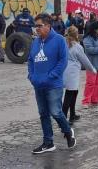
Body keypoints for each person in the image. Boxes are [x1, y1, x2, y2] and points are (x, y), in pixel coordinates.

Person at [27, 13, 76, 154]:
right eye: (35, 26)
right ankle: (48, 143)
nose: (36, 29)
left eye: (39, 26)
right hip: (38, 85)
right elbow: (30, 60)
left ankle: (68, 132)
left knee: (55, 112)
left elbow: (63, 61)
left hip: (53, 85)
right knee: (43, 114)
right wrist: (31, 76)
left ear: (48, 26)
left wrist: (51, 76)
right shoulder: (35, 42)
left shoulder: (59, 40)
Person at [62, 26, 96, 125]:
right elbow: (84, 60)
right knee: (69, 95)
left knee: (73, 93)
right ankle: (64, 119)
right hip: (72, 73)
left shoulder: (64, 43)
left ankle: (72, 114)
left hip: (65, 70)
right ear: (76, 34)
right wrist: (92, 69)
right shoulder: (77, 46)